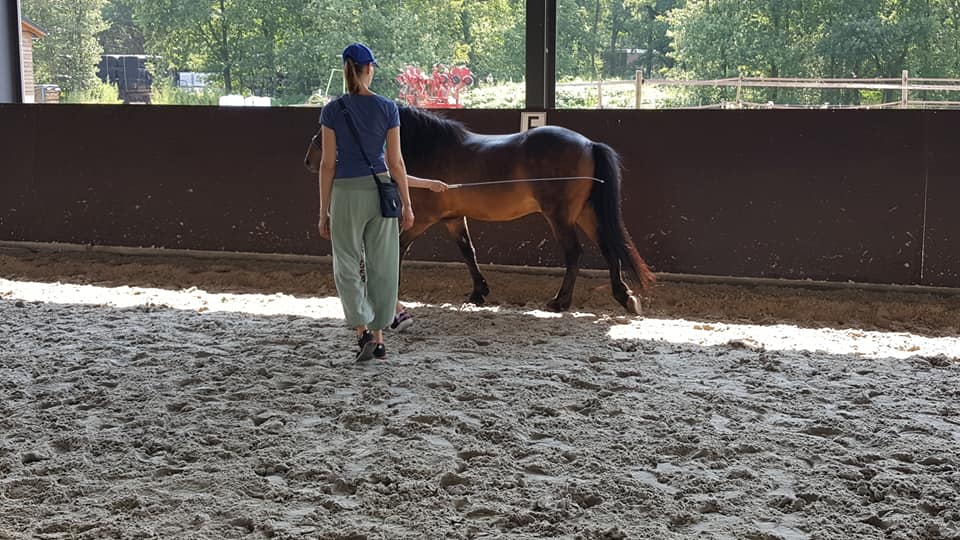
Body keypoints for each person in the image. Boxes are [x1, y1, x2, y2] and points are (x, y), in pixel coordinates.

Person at [317, 42, 416, 361]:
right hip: (381, 191)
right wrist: (407, 203)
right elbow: (396, 162)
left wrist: (323, 211)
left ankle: (362, 330)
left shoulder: (332, 110)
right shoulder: (388, 108)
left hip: (346, 194)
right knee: (382, 266)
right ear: (369, 69)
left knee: (346, 263)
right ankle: (379, 337)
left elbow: (327, 165)